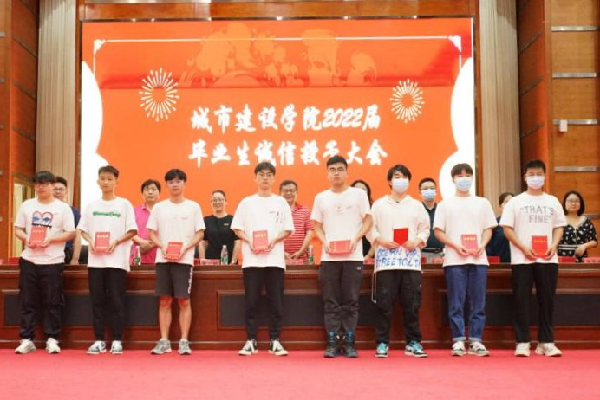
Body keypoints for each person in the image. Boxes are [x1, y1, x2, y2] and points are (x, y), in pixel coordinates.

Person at [500, 159, 566, 357]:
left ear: (545, 176)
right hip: (522, 258)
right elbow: (507, 229)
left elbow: (559, 227)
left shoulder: (553, 201)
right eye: (531, 174)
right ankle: (522, 342)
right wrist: (523, 247)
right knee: (521, 300)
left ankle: (546, 342)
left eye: (539, 174)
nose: (535, 177)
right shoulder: (515, 202)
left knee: (547, 300)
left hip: (548, 258)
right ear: (525, 177)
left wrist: (554, 244)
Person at [311, 156, 372, 358]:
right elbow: (317, 226)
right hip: (329, 258)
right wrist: (324, 241)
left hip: (353, 257)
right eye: (332, 169)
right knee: (331, 302)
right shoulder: (321, 197)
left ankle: (349, 343)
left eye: (340, 169)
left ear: (346, 172)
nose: (336, 173)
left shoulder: (358, 195)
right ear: (327, 173)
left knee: (351, 301)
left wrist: (356, 238)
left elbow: (368, 221)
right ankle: (332, 342)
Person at [434, 163, 497, 357]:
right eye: (460, 175)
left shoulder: (482, 202)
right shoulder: (445, 204)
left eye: (468, 175)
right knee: (456, 302)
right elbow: (438, 231)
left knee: (478, 303)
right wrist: (455, 245)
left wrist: (482, 244)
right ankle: (459, 339)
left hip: (479, 259)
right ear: (453, 179)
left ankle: (476, 340)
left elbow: (488, 229)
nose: (464, 179)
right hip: (454, 260)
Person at [232, 162, 294, 356]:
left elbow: (287, 229)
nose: (265, 178)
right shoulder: (246, 202)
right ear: (255, 178)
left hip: (274, 261)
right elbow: (237, 228)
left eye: (268, 175)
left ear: (273, 179)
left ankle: (275, 340)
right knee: (251, 302)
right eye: (261, 174)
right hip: (252, 261)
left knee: (276, 302)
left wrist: (274, 240)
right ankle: (251, 340)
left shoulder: (281, 202)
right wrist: (249, 241)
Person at [368, 164, 430, 358]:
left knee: (412, 305)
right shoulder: (379, 205)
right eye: (396, 176)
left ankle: (413, 342)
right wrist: (381, 240)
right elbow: (370, 228)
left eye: (404, 177)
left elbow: (425, 229)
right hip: (386, 262)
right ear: (389, 181)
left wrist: (417, 241)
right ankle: (382, 343)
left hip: (410, 262)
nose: (400, 180)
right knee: (384, 305)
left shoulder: (416, 205)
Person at [77, 165, 137, 355]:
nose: (106, 182)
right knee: (97, 301)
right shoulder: (92, 206)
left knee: (117, 301)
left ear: (116, 181)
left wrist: (116, 242)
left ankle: (117, 340)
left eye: (110, 179)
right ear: (98, 181)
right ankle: (99, 340)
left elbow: (132, 230)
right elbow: (83, 230)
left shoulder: (124, 204)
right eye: (103, 178)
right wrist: (91, 242)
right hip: (96, 262)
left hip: (117, 261)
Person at [14, 171, 76, 354]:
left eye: (44, 184)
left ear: (52, 185)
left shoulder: (63, 208)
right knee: (27, 301)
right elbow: (18, 229)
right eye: (37, 184)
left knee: (52, 301)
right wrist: (26, 238)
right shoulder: (27, 205)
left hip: (53, 261)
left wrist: (51, 240)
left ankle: (52, 338)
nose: (40, 187)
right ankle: (27, 339)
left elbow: (70, 233)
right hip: (29, 260)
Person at [147, 169, 205, 355]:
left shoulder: (193, 206)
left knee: (183, 300)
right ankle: (164, 340)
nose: (175, 185)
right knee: (164, 300)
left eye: (178, 181)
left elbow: (200, 233)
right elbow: (151, 233)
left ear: (184, 184)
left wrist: (185, 247)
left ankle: (184, 341)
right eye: (171, 182)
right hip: (163, 259)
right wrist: (162, 246)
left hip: (184, 260)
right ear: (166, 185)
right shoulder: (159, 207)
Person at [199, 190, 240, 263]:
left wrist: (233, 262)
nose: (217, 202)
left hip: (229, 262)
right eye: (214, 200)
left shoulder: (233, 220)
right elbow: (202, 243)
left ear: (225, 202)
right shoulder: (206, 220)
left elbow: (237, 242)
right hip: (210, 262)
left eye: (220, 199)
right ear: (211, 203)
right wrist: (202, 262)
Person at [558, 190, 597, 262]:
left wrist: (584, 246)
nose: (573, 203)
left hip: (582, 259)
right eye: (570, 201)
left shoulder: (586, 221)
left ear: (581, 204)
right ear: (564, 203)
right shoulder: (559, 220)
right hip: (562, 258)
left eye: (576, 201)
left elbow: (594, 241)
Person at [280, 180, 313, 263]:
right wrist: (281, 253)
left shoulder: (305, 210)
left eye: (291, 190)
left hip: (301, 259)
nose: (288, 193)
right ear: (280, 193)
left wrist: (300, 251)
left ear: (296, 192)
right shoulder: (275, 211)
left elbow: (309, 233)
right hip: (279, 259)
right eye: (285, 191)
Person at [130, 179, 161, 265]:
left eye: (153, 189)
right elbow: (129, 232)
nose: (150, 192)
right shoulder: (134, 211)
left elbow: (169, 233)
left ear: (159, 193)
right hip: (138, 258)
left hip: (160, 258)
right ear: (142, 194)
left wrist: (152, 245)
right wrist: (141, 242)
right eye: (147, 190)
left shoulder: (165, 211)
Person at [54, 176, 82, 265]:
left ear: (66, 192)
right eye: (55, 189)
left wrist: (75, 259)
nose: (57, 192)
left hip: (64, 252)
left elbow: (78, 236)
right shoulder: (43, 210)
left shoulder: (74, 212)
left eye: (61, 189)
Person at [419, 177, 445, 262]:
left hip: (440, 254)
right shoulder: (416, 210)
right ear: (420, 192)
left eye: (432, 188)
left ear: (436, 191)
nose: (429, 190)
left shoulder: (442, 209)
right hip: (420, 253)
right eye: (425, 189)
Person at [486, 192, 514, 263]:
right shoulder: (494, 224)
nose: (509, 205)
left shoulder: (519, 224)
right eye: (506, 202)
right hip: (499, 264)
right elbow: (488, 246)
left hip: (517, 263)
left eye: (511, 202)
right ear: (500, 206)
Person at [351, 179, 375, 261]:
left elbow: (379, 234)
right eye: (357, 190)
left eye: (363, 190)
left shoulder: (374, 209)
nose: (360, 192)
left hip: (370, 254)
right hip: (351, 255)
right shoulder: (347, 210)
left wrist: (369, 255)